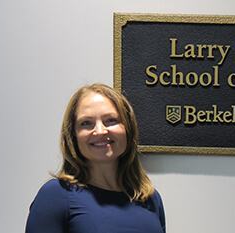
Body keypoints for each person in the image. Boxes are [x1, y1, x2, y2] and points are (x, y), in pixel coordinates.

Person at [25, 83, 166, 233]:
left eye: (110, 120)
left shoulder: (150, 198)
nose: (100, 131)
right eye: (86, 123)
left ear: (128, 129)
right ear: (73, 136)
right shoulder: (56, 195)